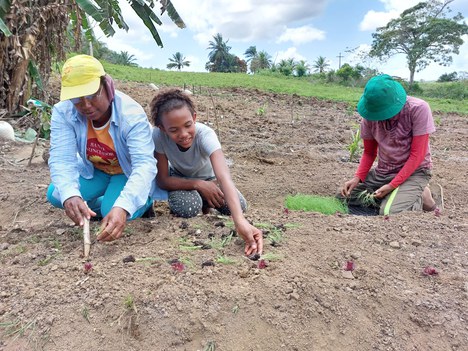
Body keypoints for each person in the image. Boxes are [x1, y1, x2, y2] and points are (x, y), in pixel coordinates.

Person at [47, 55, 166, 241]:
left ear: (107, 86)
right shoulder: (64, 112)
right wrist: (71, 195)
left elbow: (144, 165)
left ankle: (144, 200)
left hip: (125, 173)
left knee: (113, 210)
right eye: (77, 98)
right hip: (97, 170)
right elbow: (62, 158)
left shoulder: (131, 115)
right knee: (57, 194)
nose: (85, 105)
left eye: (92, 95)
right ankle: (103, 207)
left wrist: (123, 206)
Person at [150, 89, 263, 255]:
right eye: (173, 130)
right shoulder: (158, 137)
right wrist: (198, 184)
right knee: (188, 208)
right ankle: (202, 199)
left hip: (211, 180)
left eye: (188, 125)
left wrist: (239, 221)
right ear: (162, 128)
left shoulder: (206, 135)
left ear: (194, 118)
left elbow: (224, 177)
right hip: (181, 181)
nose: (183, 134)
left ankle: (206, 200)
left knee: (240, 206)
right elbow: (162, 180)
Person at [341, 74, 439, 215]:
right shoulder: (369, 116)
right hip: (384, 172)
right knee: (342, 198)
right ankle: (403, 193)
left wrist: (392, 185)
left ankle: (422, 196)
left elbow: (417, 155)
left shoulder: (418, 109)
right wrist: (357, 178)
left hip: (415, 172)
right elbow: (369, 153)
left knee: (389, 212)